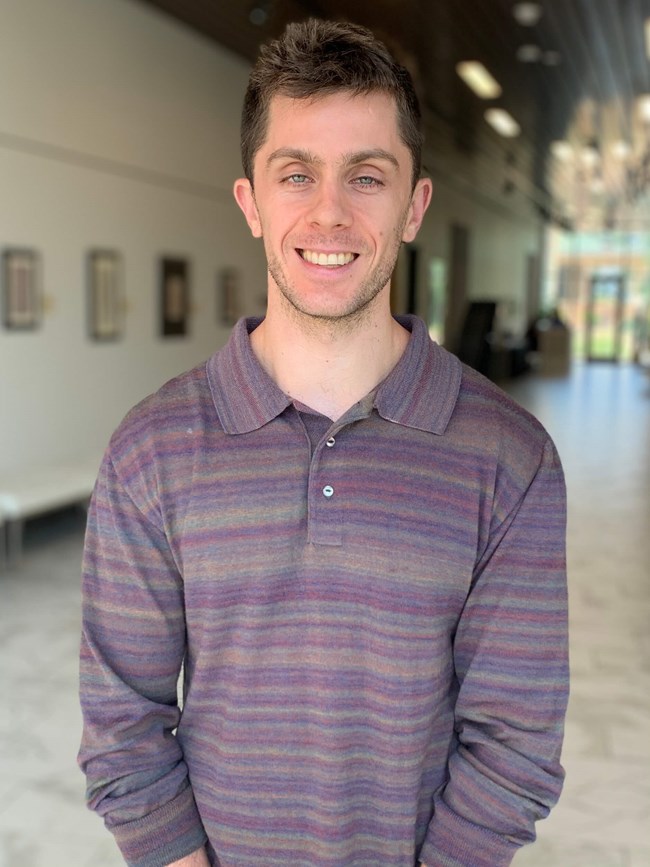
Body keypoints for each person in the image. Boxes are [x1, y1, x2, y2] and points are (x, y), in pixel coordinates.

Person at [78, 19, 569, 867]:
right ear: (252, 203)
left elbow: (514, 742)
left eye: (367, 176)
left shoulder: (509, 456)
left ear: (415, 204)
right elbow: (123, 724)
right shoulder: (150, 451)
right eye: (295, 174)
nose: (330, 212)